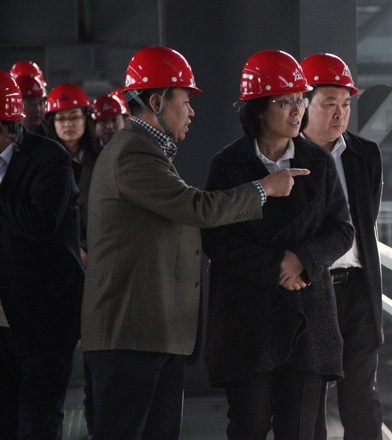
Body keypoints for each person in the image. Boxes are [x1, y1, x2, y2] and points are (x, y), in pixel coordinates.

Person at [80, 46, 306, 440]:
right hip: (130, 335)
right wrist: (263, 189)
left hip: (152, 332)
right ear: (157, 102)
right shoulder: (133, 153)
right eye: (185, 101)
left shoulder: (149, 151)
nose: (192, 112)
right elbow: (194, 207)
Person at [201, 49, 354, 440]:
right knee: (249, 427)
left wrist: (301, 259)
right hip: (248, 318)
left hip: (308, 315)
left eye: (300, 100)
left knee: (300, 429)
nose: (297, 111)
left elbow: (342, 229)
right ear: (257, 109)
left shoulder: (318, 162)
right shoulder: (228, 164)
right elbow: (215, 237)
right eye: (285, 102)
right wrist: (275, 267)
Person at [301, 53, 385, 440]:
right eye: (329, 103)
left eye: (346, 104)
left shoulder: (366, 155)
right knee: (308, 398)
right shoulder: (286, 156)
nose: (340, 113)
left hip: (359, 289)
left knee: (361, 398)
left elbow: (365, 220)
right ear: (304, 104)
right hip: (310, 287)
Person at [0, 71, 84, 440]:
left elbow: (40, 224)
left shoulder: (49, 158)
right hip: (2, 320)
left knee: (38, 424)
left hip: (44, 318)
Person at [45, 83, 100, 267]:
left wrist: (86, 248)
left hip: (92, 255)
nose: (68, 124)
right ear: (52, 123)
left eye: (74, 117)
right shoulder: (42, 164)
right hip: (51, 254)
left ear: (86, 119)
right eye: (61, 118)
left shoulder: (101, 162)